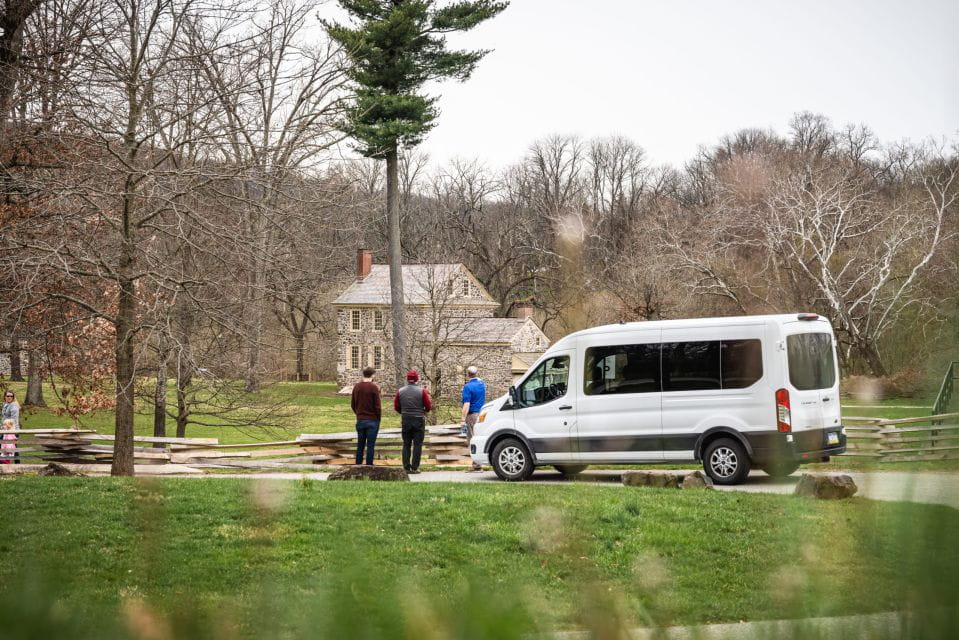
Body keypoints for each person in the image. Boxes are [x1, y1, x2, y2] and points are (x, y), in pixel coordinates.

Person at [393, 370, 432, 474]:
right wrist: (424, 411)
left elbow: (396, 406)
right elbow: (428, 405)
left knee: (406, 444)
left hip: (406, 418)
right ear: (416, 379)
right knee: (417, 444)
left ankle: (406, 467)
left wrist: (403, 412)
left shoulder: (400, 391)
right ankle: (415, 467)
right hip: (418, 419)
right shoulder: (422, 391)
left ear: (407, 378)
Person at [350, 367, 381, 465]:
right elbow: (377, 406)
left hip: (360, 420)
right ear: (372, 375)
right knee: (370, 445)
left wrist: (358, 414)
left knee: (360, 445)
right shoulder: (373, 387)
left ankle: (358, 465)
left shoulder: (357, 387)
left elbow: (353, 404)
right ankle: (369, 465)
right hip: (372, 420)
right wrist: (378, 418)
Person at [460, 366, 486, 471]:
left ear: (467, 375)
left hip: (471, 416)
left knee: (471, 439)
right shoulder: (482, 385)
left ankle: (476, 465)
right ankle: (478, 463)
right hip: (481, 415)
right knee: (479, 438)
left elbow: (466, 404)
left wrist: (462, 419)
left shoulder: (468, 387)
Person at [2, 390, 20, 464]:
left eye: (11, 396)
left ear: (13, 397)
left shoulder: (14, 406)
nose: (9, 397)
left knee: (13, 448)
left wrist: (12, 431)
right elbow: (3, 417)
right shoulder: (5, 404)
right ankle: (4, 462)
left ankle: (17, 464)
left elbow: (14, 420)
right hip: (5, 430)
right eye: (8, 396)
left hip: (12, 430)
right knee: (10, 447)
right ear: (5, 397)